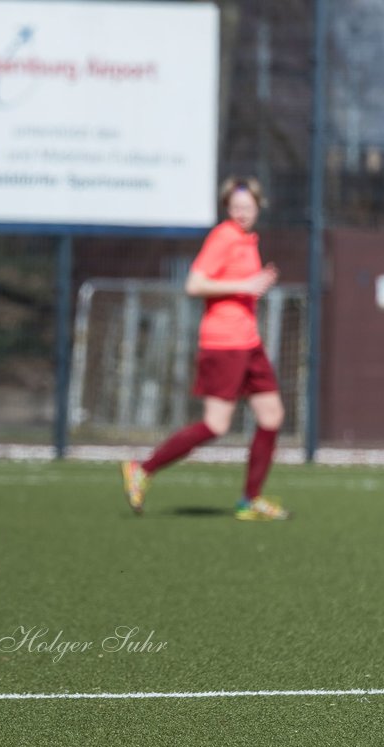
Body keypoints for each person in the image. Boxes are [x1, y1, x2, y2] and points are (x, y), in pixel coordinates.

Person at [121, 176, 289, 521]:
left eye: (248, 206)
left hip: (249, 342)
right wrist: (244, 284)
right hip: (224, 344)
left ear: (259, 206)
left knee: (272, 417)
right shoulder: (224, 236)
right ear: (227, 209)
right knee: (215, 425)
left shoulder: (248, 240)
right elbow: (194, 284)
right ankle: (142, 468)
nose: (242, 212)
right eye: (235, 207)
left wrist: (253, 286)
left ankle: (250, 500)